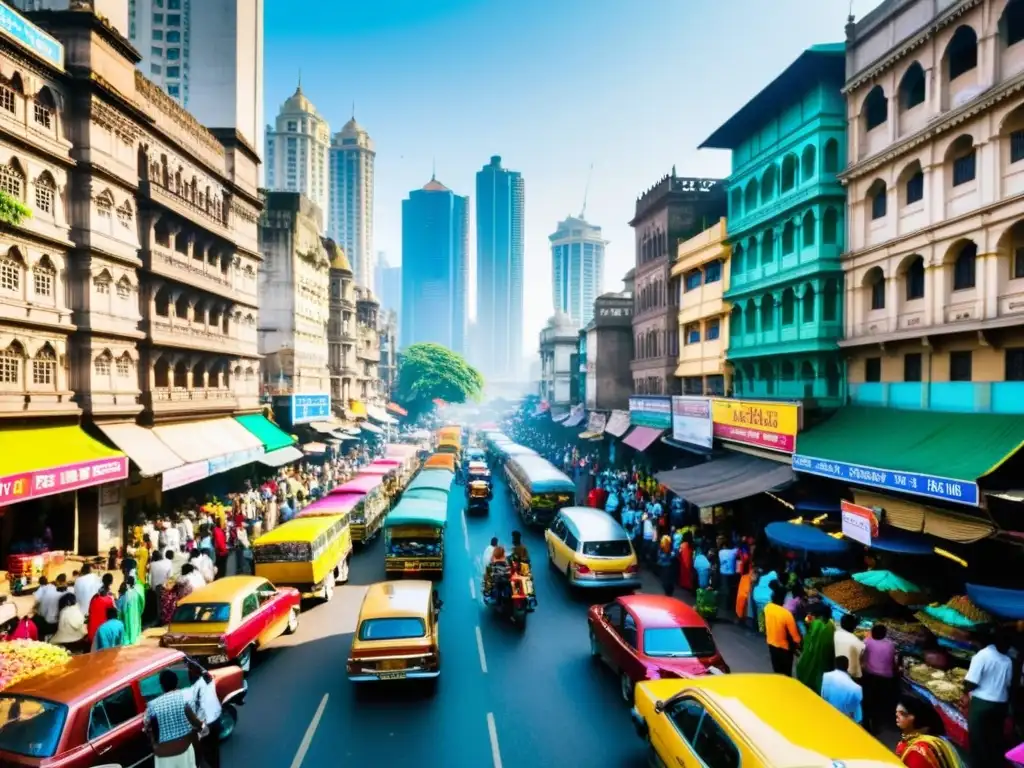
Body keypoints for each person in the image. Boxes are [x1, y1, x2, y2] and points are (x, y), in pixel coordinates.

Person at [963, 629, 1013, 768]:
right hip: (1001, 704)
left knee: (978, 740)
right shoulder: (1007, 659)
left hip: (982, 703)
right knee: (995, 738)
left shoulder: (981, 656)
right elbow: (1007, 683)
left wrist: (964, 692)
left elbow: (972, 682)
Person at [145, 669, 203, 768]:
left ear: (162, 686)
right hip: (183, 750)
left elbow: (151, 731)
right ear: (177, 682)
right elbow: (196, 723)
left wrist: (154, 744)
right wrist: (202, 727)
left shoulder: (152, 706)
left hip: (162, 754)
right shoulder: (185, 697)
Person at [895, 694, 965, 768]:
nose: (897, 716)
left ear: (919, 718)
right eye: (897, 712)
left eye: (903, 714)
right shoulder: (933, 739)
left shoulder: (918, 752)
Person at [862, 622, 899, 735]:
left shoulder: (867, 642)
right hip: (885, 678)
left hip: (870, 676)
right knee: (880, 701)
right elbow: (893, 662)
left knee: (868, 701)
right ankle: (878, 724)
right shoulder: (890, 645)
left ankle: (868, 725)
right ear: (885, 634)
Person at [795, 603, 835, 695]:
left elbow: (811, 641)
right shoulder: (829, 624)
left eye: (812, 614)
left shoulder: (817, 624)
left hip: (814, 654)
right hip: (822, 656)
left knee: (810, 672)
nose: (810, 616)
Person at [189, 662, 222, 767]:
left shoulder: (195, 688)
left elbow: (199, 707)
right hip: (216, 716)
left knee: (205, 752)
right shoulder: (209, 679)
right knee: (214, 748)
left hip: (206, 722)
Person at [764, 588, 801, 675]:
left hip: (771, 644)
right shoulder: (787, 614)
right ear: (783, 599)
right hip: (785, 649)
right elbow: (795, 637)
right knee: (786, 673)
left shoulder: (767, 608)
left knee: (777, 670)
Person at [821, 655, 863, 722]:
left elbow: (824, 697)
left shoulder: (826, 676)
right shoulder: (856, 688)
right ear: (847, 666)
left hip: (827, 716)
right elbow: (857, 717)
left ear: (835, 665)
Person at [834, 613, 865, 680]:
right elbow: (862, 661)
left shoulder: (834, 634)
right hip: (851, 675)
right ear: (854, 627)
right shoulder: (860, 644)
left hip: (834, 669)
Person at [87, 575, 116, 644]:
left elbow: (89, 611)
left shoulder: (94, 597)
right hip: (102, 633)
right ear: (111, 582)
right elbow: (113, 614)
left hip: (92, 633)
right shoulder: (110, 599)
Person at [118, 575, 145, 645]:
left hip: (128, 613)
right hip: (136, 613)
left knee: (128, 626)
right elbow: (142, 603)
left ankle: (130, 639)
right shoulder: (137, 592)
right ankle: (135, 638)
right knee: (135, 625)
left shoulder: (127, 593)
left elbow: (123, 606)